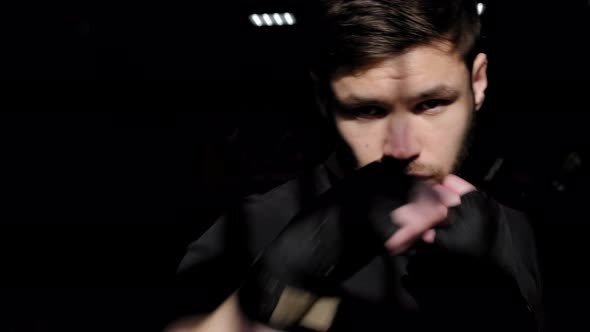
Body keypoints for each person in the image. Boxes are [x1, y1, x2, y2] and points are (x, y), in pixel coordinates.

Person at [167, 1, 543, 331]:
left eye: (431, 104)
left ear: (478, 83)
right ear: (325, 101)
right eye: (367, 110)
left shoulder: (510, 228)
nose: (402, 148)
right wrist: (266, 295)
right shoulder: (251, 230)